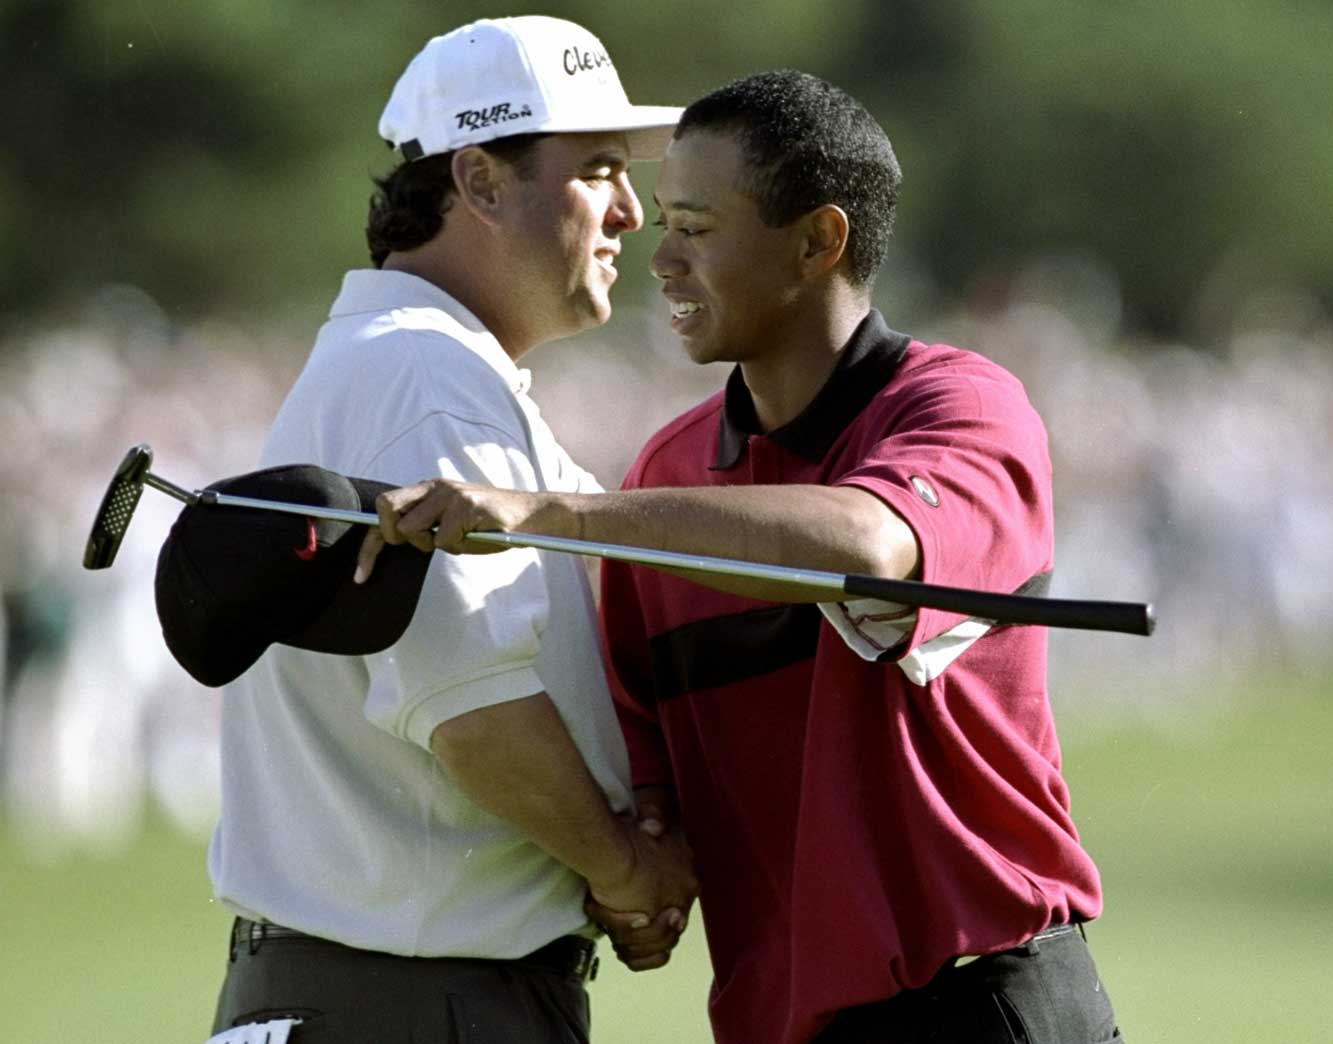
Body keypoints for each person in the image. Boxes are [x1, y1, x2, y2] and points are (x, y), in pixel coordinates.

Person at [366, 71, 1125, 1044]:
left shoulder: (963, 407)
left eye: (696, 227)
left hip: (983, 1006)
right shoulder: (666, 474)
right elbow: (650, 774)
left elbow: (867, 545)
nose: (661, 259)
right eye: (664, 227)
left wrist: (552, 512)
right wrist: (635, 873)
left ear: (817, 241)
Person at [202, 16, 696, 1043]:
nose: (630, 210)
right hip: (415, 1001)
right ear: (479, 181)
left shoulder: (427, 367)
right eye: (598, 169)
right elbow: (474, 709)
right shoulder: (421, 374)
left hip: (390, 993)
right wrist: (624, 868)